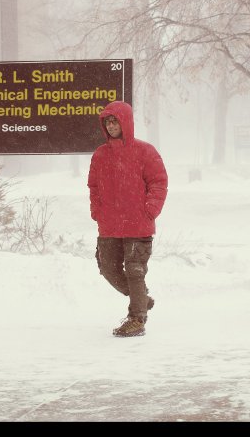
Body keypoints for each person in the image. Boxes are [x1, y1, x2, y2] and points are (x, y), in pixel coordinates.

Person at [88, 101, 168, 337]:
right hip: (109, 225)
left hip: (137, 223)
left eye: (115, 121)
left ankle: (137, 319)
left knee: (135, 270)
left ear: (125, 122)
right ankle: (141, 298)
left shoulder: (145, 151)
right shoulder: (101, 154)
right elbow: (93, 186)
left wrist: (150, 209)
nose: (112, 126)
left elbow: (159, 182)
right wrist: (97, 210)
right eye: (108, 122)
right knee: (108, 269)